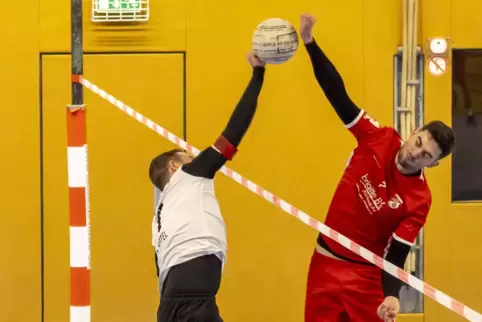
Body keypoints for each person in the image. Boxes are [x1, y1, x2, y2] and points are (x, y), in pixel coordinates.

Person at [299, 13, 455, 322]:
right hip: (324, 266)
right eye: (419, 142)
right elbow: (339, 97)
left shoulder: (420, 199)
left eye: (426, 155)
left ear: (433, 164)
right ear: (413, 133)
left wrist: (392, 295)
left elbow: (397, 252)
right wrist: (309, 43)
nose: (416, 153)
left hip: (367, 278)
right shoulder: (378, 137)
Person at [149, 51, 266, 322]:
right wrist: (258, 75)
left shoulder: (158, 217)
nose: (194, 158)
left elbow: (160, 269)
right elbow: (233, 132)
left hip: (171, 302)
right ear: (174, 166)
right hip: (193, 294)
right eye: (187, 156)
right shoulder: (189, 176)